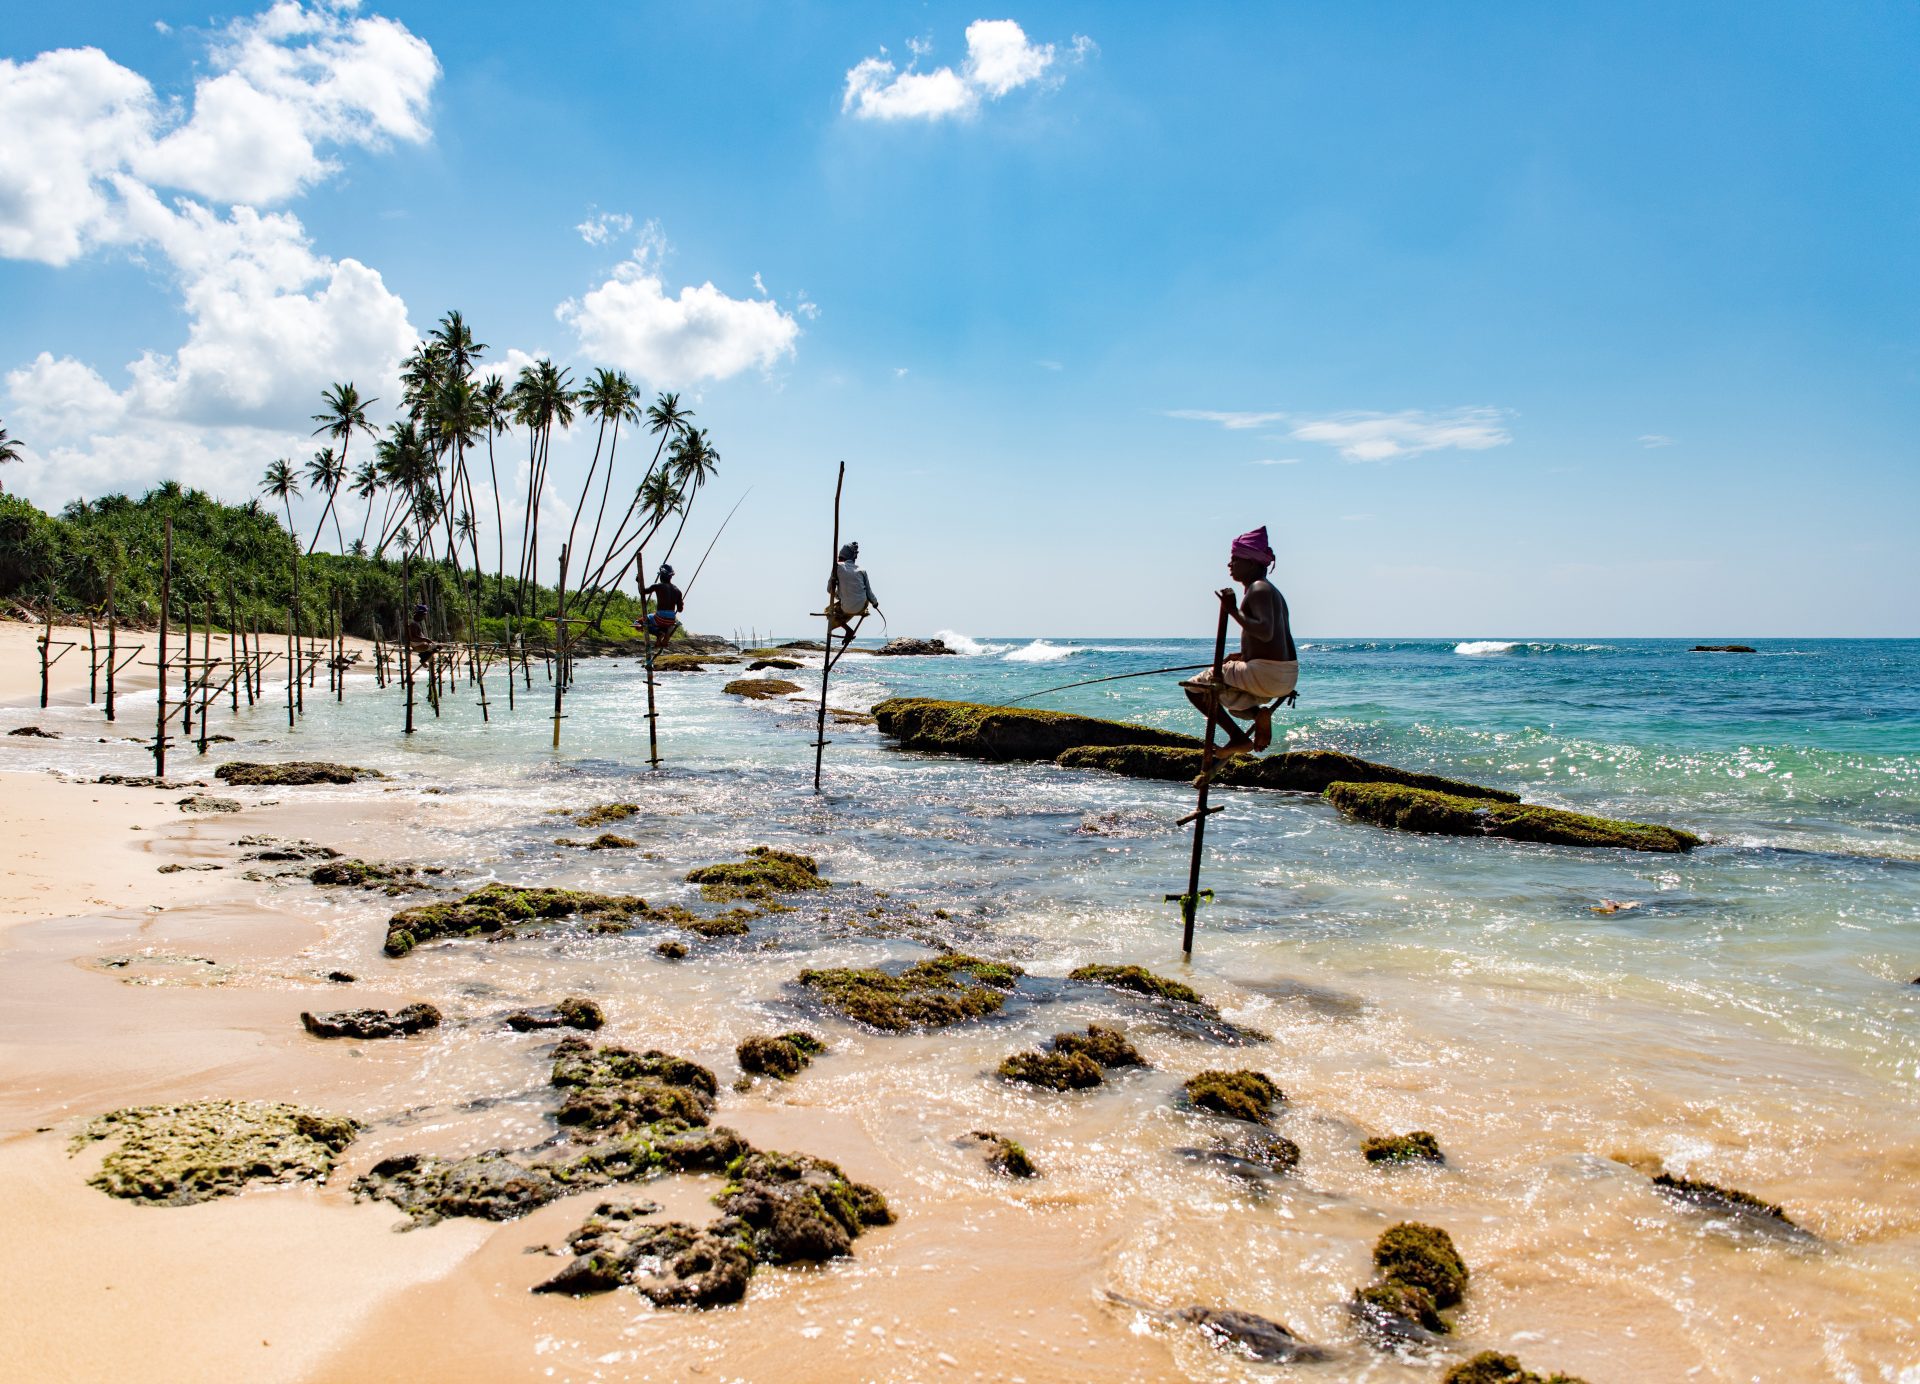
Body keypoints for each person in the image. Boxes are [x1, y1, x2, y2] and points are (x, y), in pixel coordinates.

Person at [1181, 525, 1297, 759]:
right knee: (1233, 702)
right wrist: (1244, 656)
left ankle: (1238, 739)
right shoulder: (1272, 592)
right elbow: (1274, 640)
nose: (1230, 564)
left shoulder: (1258, 588)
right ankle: (1258, 715)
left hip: (1265, 674)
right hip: (1284, 676)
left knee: (1195, 687)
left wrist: (1232, 610)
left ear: (1252, 563)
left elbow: (1264, 632)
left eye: (1235, 559)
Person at [825, 541, 880, 650]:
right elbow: (868, 592)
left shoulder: (837, 567)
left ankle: (847, 630)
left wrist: (838, 595)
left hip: (846, 607)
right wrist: (875, 603)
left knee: (828, 611)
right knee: (851, 604)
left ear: (841, 557)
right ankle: (849, 628)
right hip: (862, 606)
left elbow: (829, 590)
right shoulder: (862, 570)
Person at [642, 564, 684, 641]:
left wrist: (639, 582)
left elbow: (643, 591)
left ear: (661, 576)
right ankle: (662, 638)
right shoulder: (678, 591)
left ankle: (659, 633)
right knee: (664, 623)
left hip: (660, 618)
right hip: (671, 619)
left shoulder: (657, 586)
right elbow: (680, 609)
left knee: (641, 621)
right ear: (671, 577)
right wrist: (680, 602)